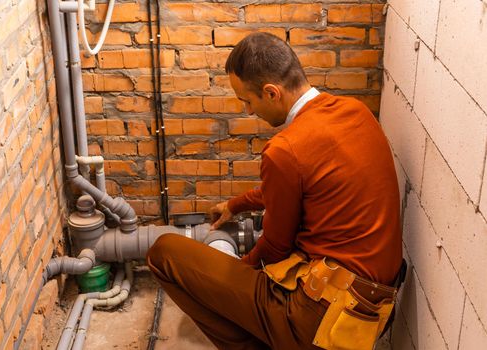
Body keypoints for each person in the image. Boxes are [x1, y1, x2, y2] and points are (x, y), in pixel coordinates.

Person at [147, 32, 403, 350]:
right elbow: (306, 185)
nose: (248, 112)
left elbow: (274, 248)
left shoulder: (284, 148)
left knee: (163, 252)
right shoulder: (355, 112)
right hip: (373, 308)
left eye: (248, 102)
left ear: (271, 93)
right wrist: (237, 204)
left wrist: (234, 272)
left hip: (321, 316)